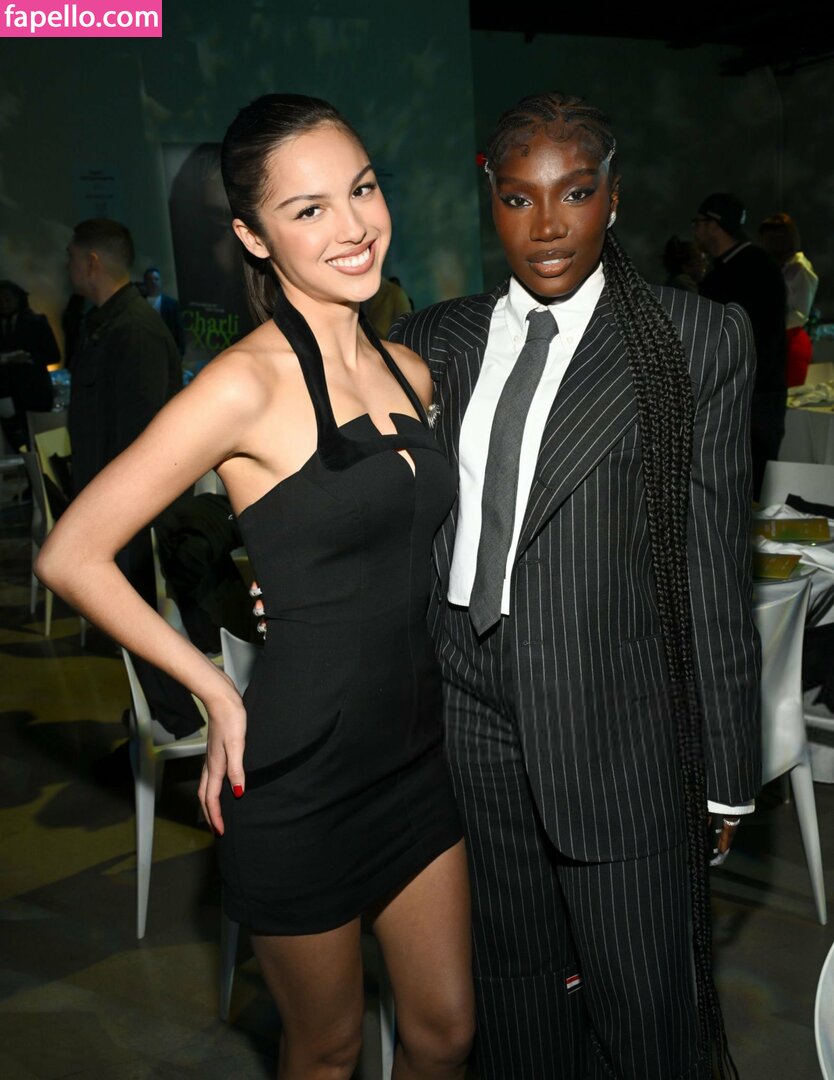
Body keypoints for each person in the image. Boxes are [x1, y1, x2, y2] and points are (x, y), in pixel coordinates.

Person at [37, 94, 474, 1080]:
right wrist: (216, 689)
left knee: (445, 1034)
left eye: (361, 190)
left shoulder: (412, 372)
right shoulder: (242, 385)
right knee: (325, 1051)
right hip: (302, 775)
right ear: (252, 235)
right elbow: (72, 553)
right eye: (309, 208)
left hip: (421, 757)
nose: (353, 226)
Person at [391, 92, 760, 1080]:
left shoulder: (691, 340)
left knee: (644, 1003)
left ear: (614, 197)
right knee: (512, 983)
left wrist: (727, 764)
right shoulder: (437, 339)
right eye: (519, 199)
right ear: (492, 204)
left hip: (617, 722)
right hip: (465, 704)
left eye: (576, 193)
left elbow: (714, 562)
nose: (548, 225)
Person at [66, 217, 202, 742]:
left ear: (92, 261)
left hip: (131, 515)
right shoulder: (107, 323)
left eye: (72, 258)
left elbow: (143, 444)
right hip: (114, 511)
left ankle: (177, 724)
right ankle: (161, 719)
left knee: (141, 617)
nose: (68, 268)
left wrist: (111, 518)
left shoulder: (134, 330)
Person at [693, 191, 787, 498]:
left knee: (744, 489)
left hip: (750, 398)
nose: (695, 230)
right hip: (750, 394)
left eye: (698, 222)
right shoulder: (748, 265)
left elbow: (752, 339)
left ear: (713, 225)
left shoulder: (746, 269)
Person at [758, 212, 819, 387]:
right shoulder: (776, 267)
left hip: (790, 343)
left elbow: (800, 314)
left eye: (767, 240)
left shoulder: (799, 269)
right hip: (775, 341)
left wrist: (768, 324)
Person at [0, 279, 57, 449]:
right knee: (15, 442)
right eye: (0, 300)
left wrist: (28, 358)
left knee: (41, 439)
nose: (4, 304)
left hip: (35, 393)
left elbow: (53, 355)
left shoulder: (36, 322)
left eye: (8, 299)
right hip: (6, 395)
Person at [143, 267, 187, 357]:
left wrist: (179, 353)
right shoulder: (138, 303)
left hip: (166, 352)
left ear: (160, 282)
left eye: (156, 279)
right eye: (150, 279)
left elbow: (179, 331)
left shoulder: (172, 304)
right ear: (145, 282)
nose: (153, 282)